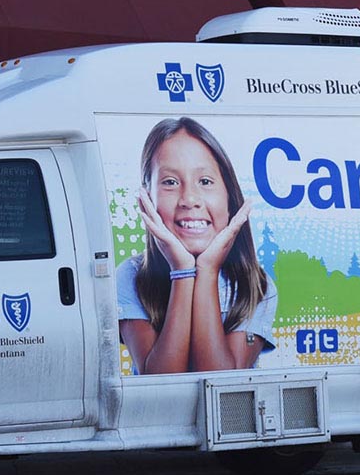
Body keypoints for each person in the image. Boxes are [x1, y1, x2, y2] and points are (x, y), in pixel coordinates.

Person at [116, 117, 277, 374]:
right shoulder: (132, 275)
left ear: (229, 197)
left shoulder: (255, 284)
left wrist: (207, 271)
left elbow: (221, 380)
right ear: (146, 197)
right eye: (170, 182)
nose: (189, 199)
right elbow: (161, 381)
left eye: (205, 182)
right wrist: (183, 272)